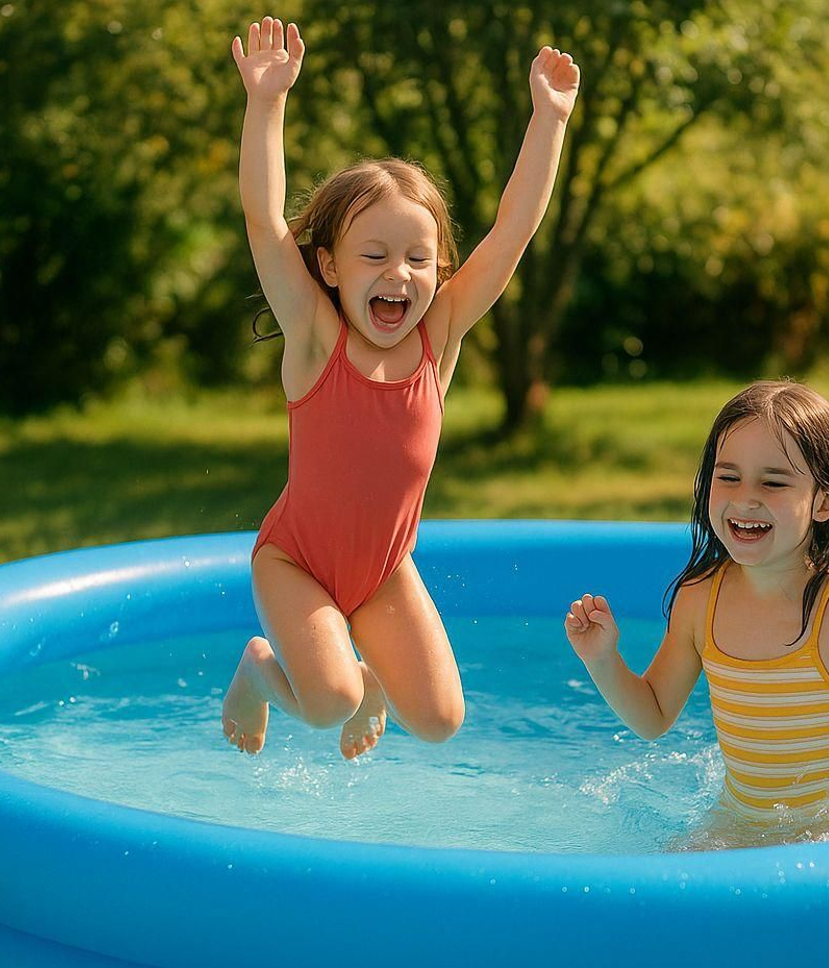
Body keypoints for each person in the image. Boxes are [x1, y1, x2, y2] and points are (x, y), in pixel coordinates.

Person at [221, 17, 580, 759]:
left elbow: (511, 230)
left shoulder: (436, 341)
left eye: (419, 257)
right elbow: (263, 221)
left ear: (439, 269)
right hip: (296, 562)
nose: (399, 275)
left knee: (443, 719)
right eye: (374, 255)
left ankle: (369, 674)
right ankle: (259, 670)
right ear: (328, 267)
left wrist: (548, 119)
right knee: (328, 702)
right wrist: (267, 102)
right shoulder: (318, 340)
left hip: (384, 569)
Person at [564, 381, 829, 846]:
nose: (746, 497)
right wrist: (602, 659)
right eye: (728, 476)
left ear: (825, 502)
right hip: (737, 827)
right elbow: (653, 716)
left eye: (772, 482)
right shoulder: (700, 600)